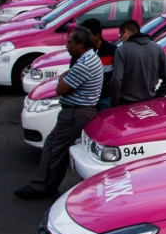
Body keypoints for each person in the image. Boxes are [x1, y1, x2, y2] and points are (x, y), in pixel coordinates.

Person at [14, 28, 102, 199]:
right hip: (77, 112)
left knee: (55, 148)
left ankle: (43, 186)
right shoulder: (87, 58)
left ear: (80, 44)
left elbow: (61, 89)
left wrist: (63, 80)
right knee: (53, 145)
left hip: (76, 113)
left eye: (70, 42)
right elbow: (65, 79)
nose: (67, 45)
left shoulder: (84, 63)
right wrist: (64, 79)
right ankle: (45, 183)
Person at [109, 20, 166, 107]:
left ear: (126, 32)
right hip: (151, 105)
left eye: (121, 36)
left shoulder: (121, 51)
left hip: (126, 104)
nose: (121, 39)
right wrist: (158, 96)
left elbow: (116, 80)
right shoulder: (157, 48)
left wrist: (115, 102)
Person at [80, 18, 118, 111]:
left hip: (105, 98)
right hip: (86, 100)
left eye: (87, 36)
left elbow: (118, 75)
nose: (84, 39)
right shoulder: (81, 50)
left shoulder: (112, 50)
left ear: (97, 35)